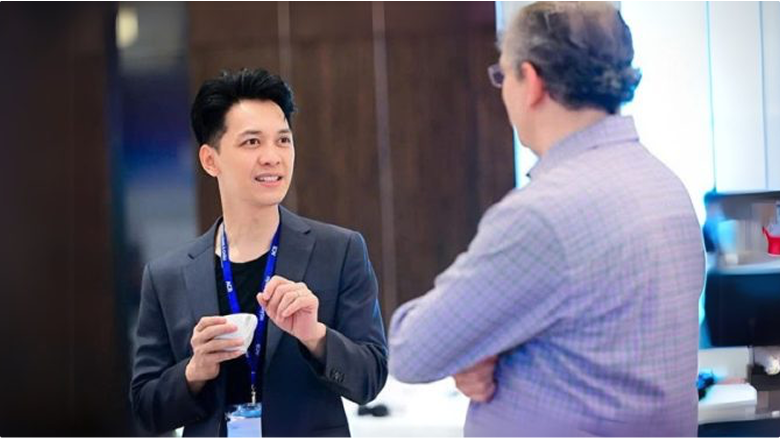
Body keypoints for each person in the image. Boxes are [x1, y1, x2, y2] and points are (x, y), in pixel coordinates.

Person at [388, 2, 705, 437]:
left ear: (531, 81)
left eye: (502, 75)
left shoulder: (542, 215)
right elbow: (601, 341)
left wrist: (477, 348)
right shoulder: (666, 186)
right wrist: (488, 347)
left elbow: (412, 351)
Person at [130, 68, 387, 438]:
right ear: (210, 160)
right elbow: (146, 409)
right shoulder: (165, 276)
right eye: (252, 142)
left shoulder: (340, 251)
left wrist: (315, 335)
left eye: (283, 140)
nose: (272, 157)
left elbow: (371, 379)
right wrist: (194, 371)